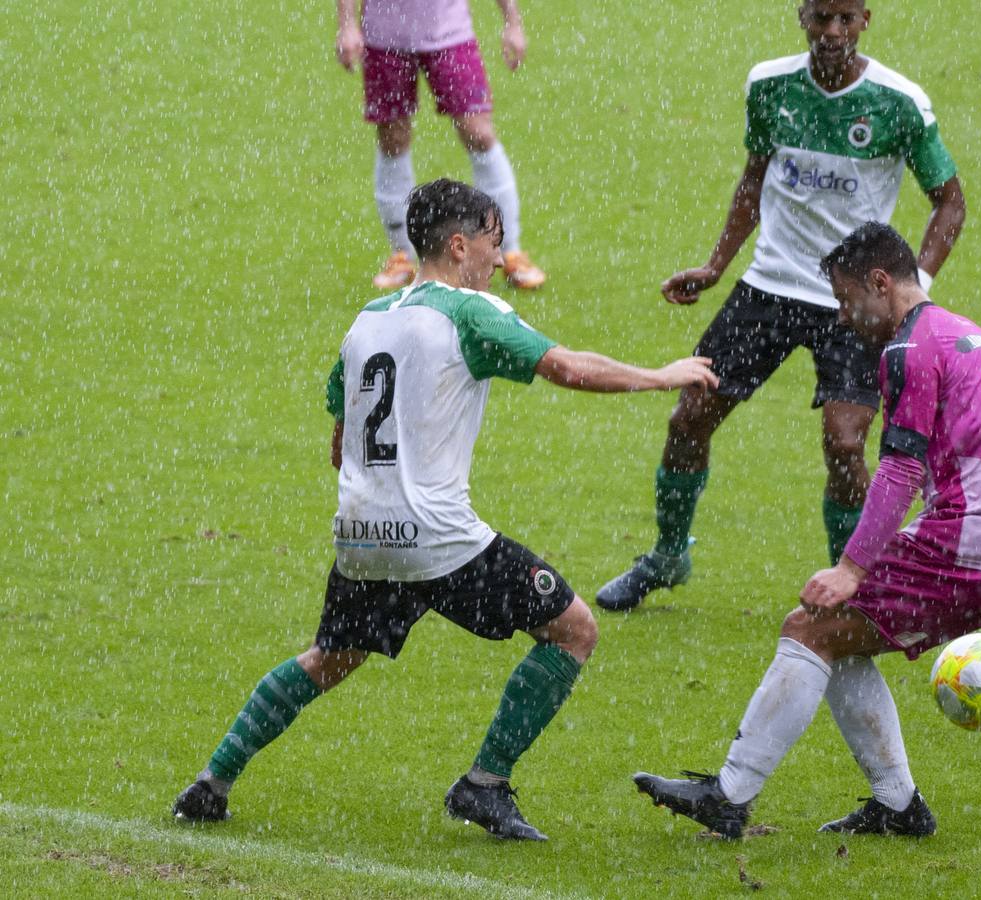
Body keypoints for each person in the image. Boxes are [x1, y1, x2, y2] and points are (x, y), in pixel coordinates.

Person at [172, 179, 718, 841]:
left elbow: (341, 441)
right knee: (574, 630)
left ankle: (212, 781)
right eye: (493, 242)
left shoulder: (367, 320)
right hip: (438, 538)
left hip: (362, 534)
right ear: (459, 245)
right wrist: (662, 375)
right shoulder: (469, 311)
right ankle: (484, 784)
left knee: (329, 659)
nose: (498, 258)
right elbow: (567, 367)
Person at [632, 222, 981, 839]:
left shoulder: (908, 350)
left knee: (809, 628)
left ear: (879, 284)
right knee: (840, 636)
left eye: (843, 297)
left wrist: (851, 567)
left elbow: (902, 469)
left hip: (973, 534)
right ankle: (897, 807)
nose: (841, 315)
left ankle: (729, 796)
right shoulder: (973, 336)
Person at [595, 0, 967, 612]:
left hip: (856, 302)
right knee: (690, 414)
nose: (832, 33)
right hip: (771, 285)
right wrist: (716, 265)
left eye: (845, 19)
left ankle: (850, 586)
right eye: (822, 18)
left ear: (866, 19)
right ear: (802, 16)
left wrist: (913, 289)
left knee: (846, 441)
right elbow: (753, 177)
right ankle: (666, 556)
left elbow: (950, 201)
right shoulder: (770, 85)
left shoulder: (900, 103)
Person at [335, 0, 547, 291]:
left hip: (451, 33)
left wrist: (512, 20)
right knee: (392, 138)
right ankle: (401, 256)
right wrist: (347, 24)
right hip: (384, 37)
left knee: (479, 133)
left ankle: (510, 251)